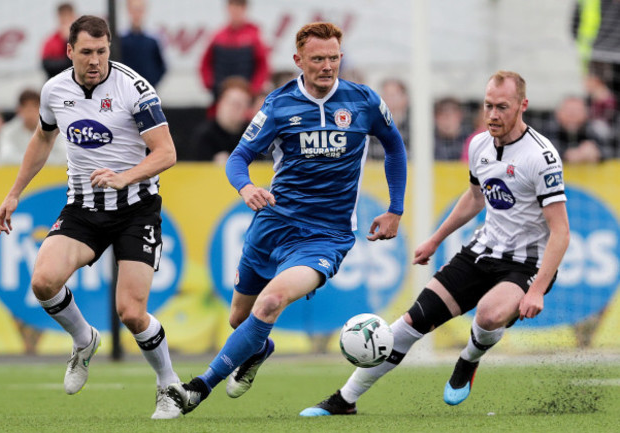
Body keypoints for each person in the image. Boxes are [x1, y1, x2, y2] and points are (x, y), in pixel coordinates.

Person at [166, 22, 407, 416]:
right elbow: (240, 158)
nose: (327, 66)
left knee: (270, 302)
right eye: (318, 59)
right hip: (272, 226)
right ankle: (261, 350)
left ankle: (196, 389)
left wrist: (396, 208)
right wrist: (246, 189)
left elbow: (395, 147)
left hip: (325, 236)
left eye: (333, 58)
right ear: (299, 61)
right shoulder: (278, 105)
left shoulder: (363, 101)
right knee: (239, 319)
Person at [299, 70, 570, 416]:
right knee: (411, 323)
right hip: (481, 251)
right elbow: (474, 198)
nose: (493, 115)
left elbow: (560, 232)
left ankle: (468, 360)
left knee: (488, 315)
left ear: (523, 106)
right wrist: (435, 239)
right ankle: (344, 400)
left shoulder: (541, 157)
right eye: (488, 106)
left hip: (526, 265)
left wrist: (536, 290)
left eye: (502, 107)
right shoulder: (478, 145)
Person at [0, 15, 182, 419]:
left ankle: (168, 384)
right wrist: (14, 193)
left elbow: (166, 152)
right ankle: (84, 340)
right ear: (69, 52)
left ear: (109, 48)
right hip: (84, 208)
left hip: (136, 209)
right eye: (86, 52)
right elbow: (43, 138)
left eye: (101, 51)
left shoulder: (134, 88)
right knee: (43, 281)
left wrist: (125, 177)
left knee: (131, 312)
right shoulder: (54, 90)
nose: (95, 60)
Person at [199, 0, 270, 101]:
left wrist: (254, 89)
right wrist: (210, 85)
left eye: (239, 8)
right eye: (233, 7)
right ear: (228, 9)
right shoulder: (218, 36)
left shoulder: (254, 36)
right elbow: (205, 63)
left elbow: (263, 65)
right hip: (221, 94)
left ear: (244, 9)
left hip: (247, 95)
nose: (235, 12)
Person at [190, 76, 252, 164]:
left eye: (240, 105)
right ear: (220, 103)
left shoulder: (253, 135)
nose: (235, 109)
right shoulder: (204, 135)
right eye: (232, 103)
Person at [0, 89, 67, 166]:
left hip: (49, 174)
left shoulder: (54, 129)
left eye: (34, 107)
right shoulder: (7, 130)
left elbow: (63, 156)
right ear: (19, 110)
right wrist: (37, 161)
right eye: (27, 108)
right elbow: (4, 157)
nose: (31, 112)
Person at [545, 95, 612, 163]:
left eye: (577, 111)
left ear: (586, 115)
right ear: (558, 113)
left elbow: (611, 151)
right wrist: (565, 155)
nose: (572, 115)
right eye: (568, 111)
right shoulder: (548, 131)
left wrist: (597, 153)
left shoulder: (592, 130)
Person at [120, 0, 167, 88]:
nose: (137, 14)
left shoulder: (152, 40)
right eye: (134, 9)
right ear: (128, 11)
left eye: (139, 10)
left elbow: (161, 66)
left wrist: (152, 82)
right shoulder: (120, 40)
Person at [369, 78, 410, 160]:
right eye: (385, 95)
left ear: (405, 98)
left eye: (393, 95)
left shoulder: (414, 127)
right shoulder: (370, 126)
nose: (388, 99)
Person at [41, 3, 76, 78]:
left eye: (69, 18)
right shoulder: (51, 41)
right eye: (63, 18)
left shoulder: (82, 38)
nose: (66, 22)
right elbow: (47, 66)